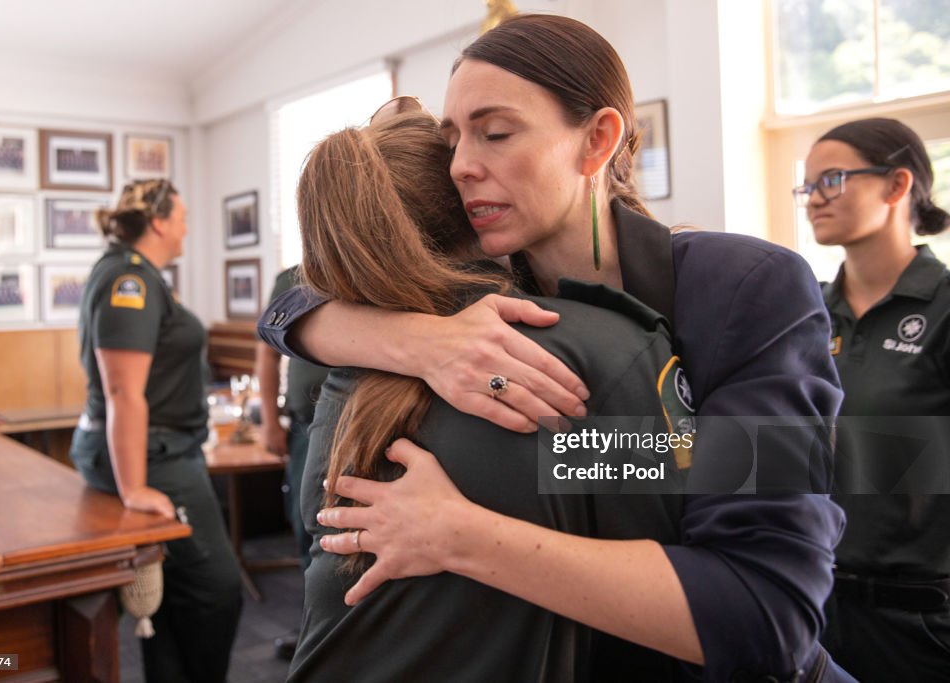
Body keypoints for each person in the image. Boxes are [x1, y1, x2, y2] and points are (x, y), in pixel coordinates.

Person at [261, 14, 848, 683]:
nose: (461, 166)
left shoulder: (743, 285)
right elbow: (285, 312)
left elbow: (767, 612)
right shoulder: (484, 302)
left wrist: (459, 534)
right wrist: (422, 342)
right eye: (450, 141)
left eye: (497, 132)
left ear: (596, 141)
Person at [285, 106, 697, 682]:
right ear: (471, 206)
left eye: (497, 134)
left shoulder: (338, 363)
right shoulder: (604, 349)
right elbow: (691, 593)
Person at [69, 179, 242, 682]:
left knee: (173, 593)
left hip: (162, 448)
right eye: (183, 218)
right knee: (216, 589)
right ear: (161, 222)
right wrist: (135, 486)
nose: (187, 228)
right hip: (154, 457)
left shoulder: (137, 274)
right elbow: (123, 390)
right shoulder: (131, 280)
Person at [797, 117, 950, 682]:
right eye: (807, 184)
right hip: (814, 604)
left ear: (896, 185)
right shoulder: (804, 310)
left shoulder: (943, 308)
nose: (814, 198)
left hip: (921, 617)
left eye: (831, 179)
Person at [255, 264, 330, 660]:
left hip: (353, 426)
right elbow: (267, 356)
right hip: (303, 428)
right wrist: (270, 419)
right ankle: (311, 627)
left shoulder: (362, 265)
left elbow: (557, 464)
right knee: (305, 528)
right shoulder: (290, 279)